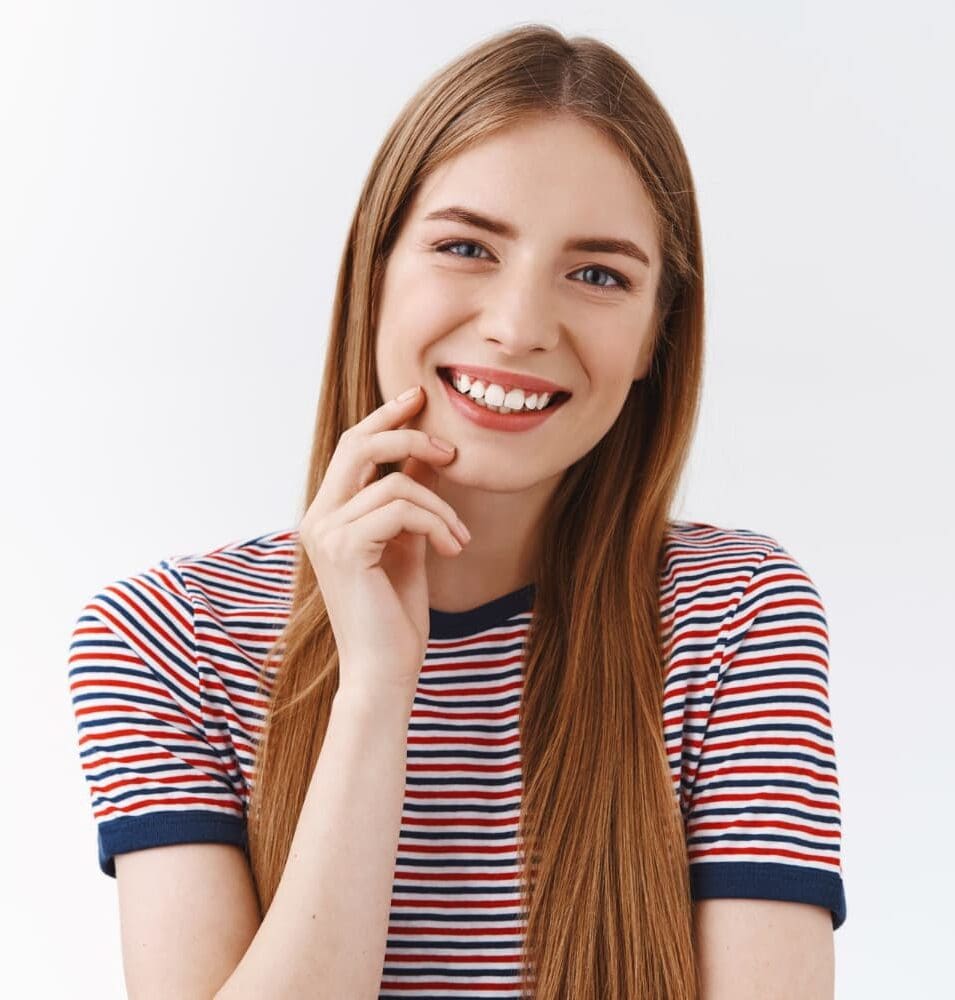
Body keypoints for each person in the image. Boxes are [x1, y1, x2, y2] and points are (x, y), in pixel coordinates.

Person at [67, 23, 847, 1000]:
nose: (519, 326)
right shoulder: (164, 639)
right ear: (375, 274)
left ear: (655, 337)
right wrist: (375, 692)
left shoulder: (733, 615)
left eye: (598, 273)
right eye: (466, 246)